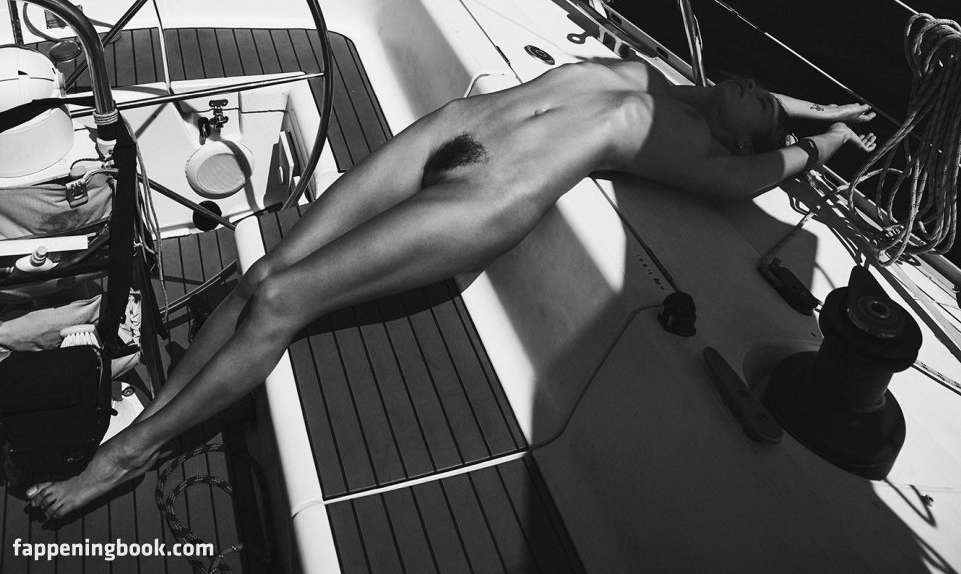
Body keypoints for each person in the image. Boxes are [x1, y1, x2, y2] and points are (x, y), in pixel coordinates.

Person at [28, 57, 875, 518]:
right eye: (756, 86)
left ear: (741, 141)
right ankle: (158, 413)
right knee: (262, 273)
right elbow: (751, 103)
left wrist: (820, 142)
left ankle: (126, 456)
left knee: (287, 300)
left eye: (760, 106)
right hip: (443, 134)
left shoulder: (693, 149)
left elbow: (750, 174)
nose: (754, 89)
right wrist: (806, 103)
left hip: (484, 196)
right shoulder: (662, 80)